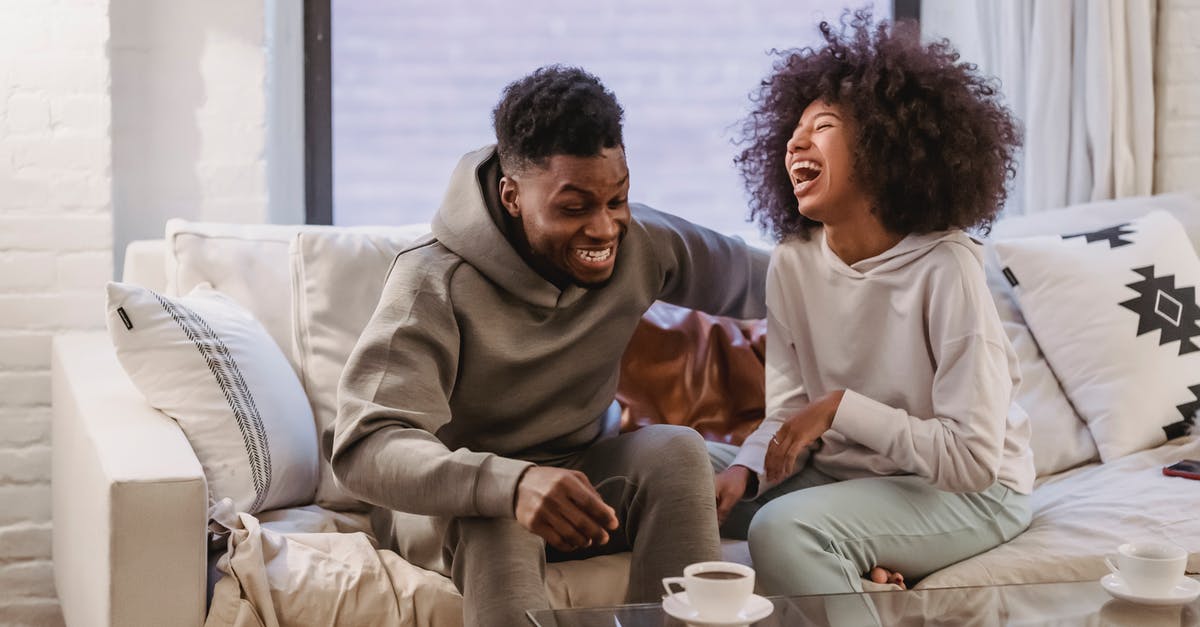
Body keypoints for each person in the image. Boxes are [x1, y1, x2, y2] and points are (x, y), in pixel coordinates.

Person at [331, 65, 769, 626]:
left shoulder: (643, 244)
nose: (605, 228)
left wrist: (896, 261)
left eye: (617, 199)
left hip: (581, 477)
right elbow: (365, 447)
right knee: (503, 524)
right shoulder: (431, 282)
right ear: (512, 195)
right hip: (460, 502)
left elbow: (780, 283)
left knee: (678, 450)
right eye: (574, 207)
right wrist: (507, 483)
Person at [709, 12, 1036, 596]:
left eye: (824, 126)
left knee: (784, 529)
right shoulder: (794, 260)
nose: (795, 143)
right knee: (683, 478)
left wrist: (840, 410)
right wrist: (746, 466)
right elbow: (789, 415)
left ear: (888, 148)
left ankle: (844, 554)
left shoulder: (947, 266)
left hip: (971, 494)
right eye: (794, 130)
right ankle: (852, 563)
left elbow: (972, 460)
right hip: (845, 479)